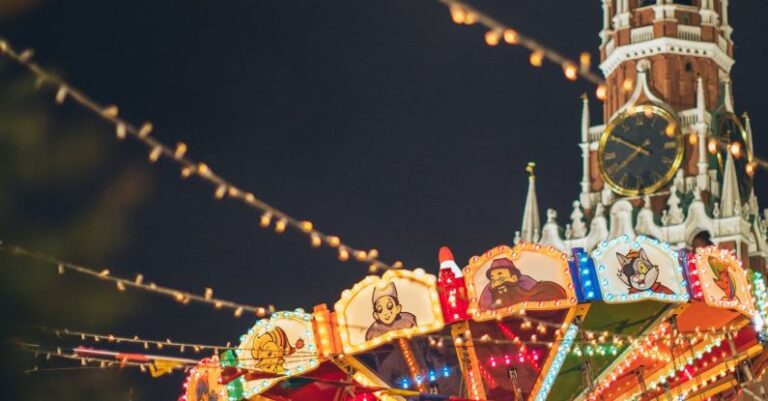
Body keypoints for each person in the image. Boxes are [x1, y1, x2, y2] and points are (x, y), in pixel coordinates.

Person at [479, 258, 566, 310]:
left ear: (514, 278)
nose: (497, 282)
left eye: (500, 276)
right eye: (493, 279)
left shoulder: (542, 291)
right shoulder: (490, 299)